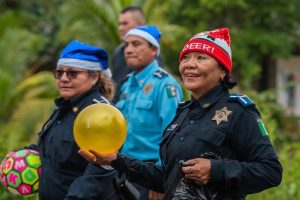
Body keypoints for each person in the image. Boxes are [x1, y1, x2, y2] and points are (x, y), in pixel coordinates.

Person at [79, 27, 283, 200]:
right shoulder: (183, 113)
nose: (189, 64)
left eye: (201, 58)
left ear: (223, 71)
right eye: (186, 58)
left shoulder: (238, 111)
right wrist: (115, 160)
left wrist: (216, 169)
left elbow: (270, 171)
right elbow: (167, 178)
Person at [1, 40, 119, 200]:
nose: (63, 78)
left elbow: (100, 171)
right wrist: (18, 154)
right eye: (59, 72)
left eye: (72, 73)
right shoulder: (64, 107)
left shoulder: (101, 114)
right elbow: (53, 150)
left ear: (94, 77)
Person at [112, 25, 183, 199]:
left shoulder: (165, 85)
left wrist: (160, 179)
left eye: (136, 44)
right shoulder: (127, 83)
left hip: (150, 174)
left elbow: (173, 136)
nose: (128, 50)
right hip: (125, 170)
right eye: (126, 45)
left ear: (154, 50)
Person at [111, 6, 145, 89]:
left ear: (140, 25)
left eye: (125, 23)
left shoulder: (150, 54)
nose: (120, 28)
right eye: (119, 24)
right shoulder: (118, 52)